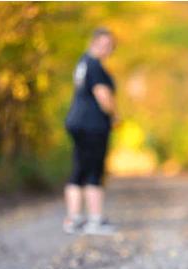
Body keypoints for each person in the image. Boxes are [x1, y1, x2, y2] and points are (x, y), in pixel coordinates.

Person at [63, 27, 117, 235]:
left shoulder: (82, 62)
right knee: (94, 171)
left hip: (76, 121)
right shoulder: (94, 65)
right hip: (92, 125)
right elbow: (103, 95)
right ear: (93, 42)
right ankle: (95, 220)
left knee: (79, 170)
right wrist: (114, 115)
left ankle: (74, 219)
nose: (107, 49)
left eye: (110, 45)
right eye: (104, 44)